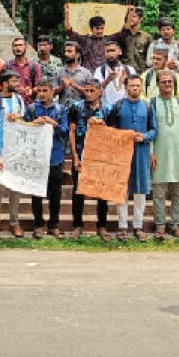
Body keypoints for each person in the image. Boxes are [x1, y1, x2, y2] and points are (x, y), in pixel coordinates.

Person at [105, 75, 156, 240]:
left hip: (141, 153)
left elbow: (155, 130)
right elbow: (110, 129)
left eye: (137, 86)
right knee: (122, 189)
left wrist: (145, 137)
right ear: (126, 87)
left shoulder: (147, 107)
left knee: (141, 190)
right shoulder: (118, 106)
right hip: (122, 154)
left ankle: (138, 225)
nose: (135, 88)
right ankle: (122, 226)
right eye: (132, 86)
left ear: (141, 88)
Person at [151, 69, 179, 239]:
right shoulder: (152, 104)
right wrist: (150, 152)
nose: (167, 84)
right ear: (157, 84)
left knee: (178, 192)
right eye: (164, 81)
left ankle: (175, 224)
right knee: (159, 192)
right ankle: (160, 225)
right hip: (159, 154)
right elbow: (150, 129)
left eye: (170, 82)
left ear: (174, 84)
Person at [0, 70, 24, 239]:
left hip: (16, 150)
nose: (16, 83)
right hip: (1, 151)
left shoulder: (19, 100)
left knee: (15, 188)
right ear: (5, 83)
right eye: (13, 80)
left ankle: (14, 222)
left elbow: (24, 124)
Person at [25, 78, 66, 238]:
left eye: (44, 91)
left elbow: (64, 131)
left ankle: (54, 224)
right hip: (36, 155)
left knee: (55, 192)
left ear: (52, 91)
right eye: (39, 91)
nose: (41, 94)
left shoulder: (60, 109)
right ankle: (38, 224)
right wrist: (34, 123)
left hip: (55, 155)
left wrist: (53, 123)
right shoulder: (32, 109)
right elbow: (23, 130)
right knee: (36, 191)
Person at [69, 81, 110, 239]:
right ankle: (77, 225)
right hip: (81, 154)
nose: (88, 93)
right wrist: (74, 156)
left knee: (101, 192)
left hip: (101, 156)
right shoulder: (76, 107)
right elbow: (72, 131)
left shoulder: (108, 109)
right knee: (78, 191)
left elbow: (113, 133)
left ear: (99, 92)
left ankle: (102, 226)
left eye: (92, 90)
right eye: (86, 90)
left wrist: (102, 124)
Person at [94, 40, 132, 107]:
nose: (110, 54)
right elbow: (95, 91)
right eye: (107, 51)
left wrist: (125, 82)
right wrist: (107, 80)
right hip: (106, 108)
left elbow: (135, 89)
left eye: (113, 51)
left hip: (125, 107)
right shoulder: (100, 71)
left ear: (120, 52)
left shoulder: (129, 70)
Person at [6, 36, 42, 105]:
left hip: (29, 104)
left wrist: (30, 90)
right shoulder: (7, 65)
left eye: (20, 45)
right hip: (11, 103)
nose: (18, 48)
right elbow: (1, 85)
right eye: (15, 46)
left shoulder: (34, 66)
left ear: (25, 47)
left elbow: (39, 86)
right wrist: (14, 88)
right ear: (12, 48)